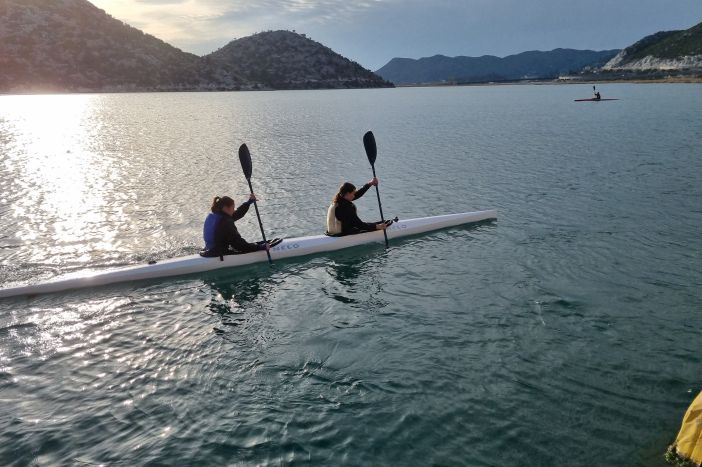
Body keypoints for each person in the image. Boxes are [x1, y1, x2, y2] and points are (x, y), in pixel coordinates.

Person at [201, 194, 269, 257]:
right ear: (225, 208)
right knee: (242, 246)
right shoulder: (225, 222)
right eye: (233, 208)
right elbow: (238, 244)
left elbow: (236, 214)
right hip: (219, 255)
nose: (234, 211)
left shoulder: (215, 216)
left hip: (209, 251)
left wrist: (248, 203)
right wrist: (259, 248)